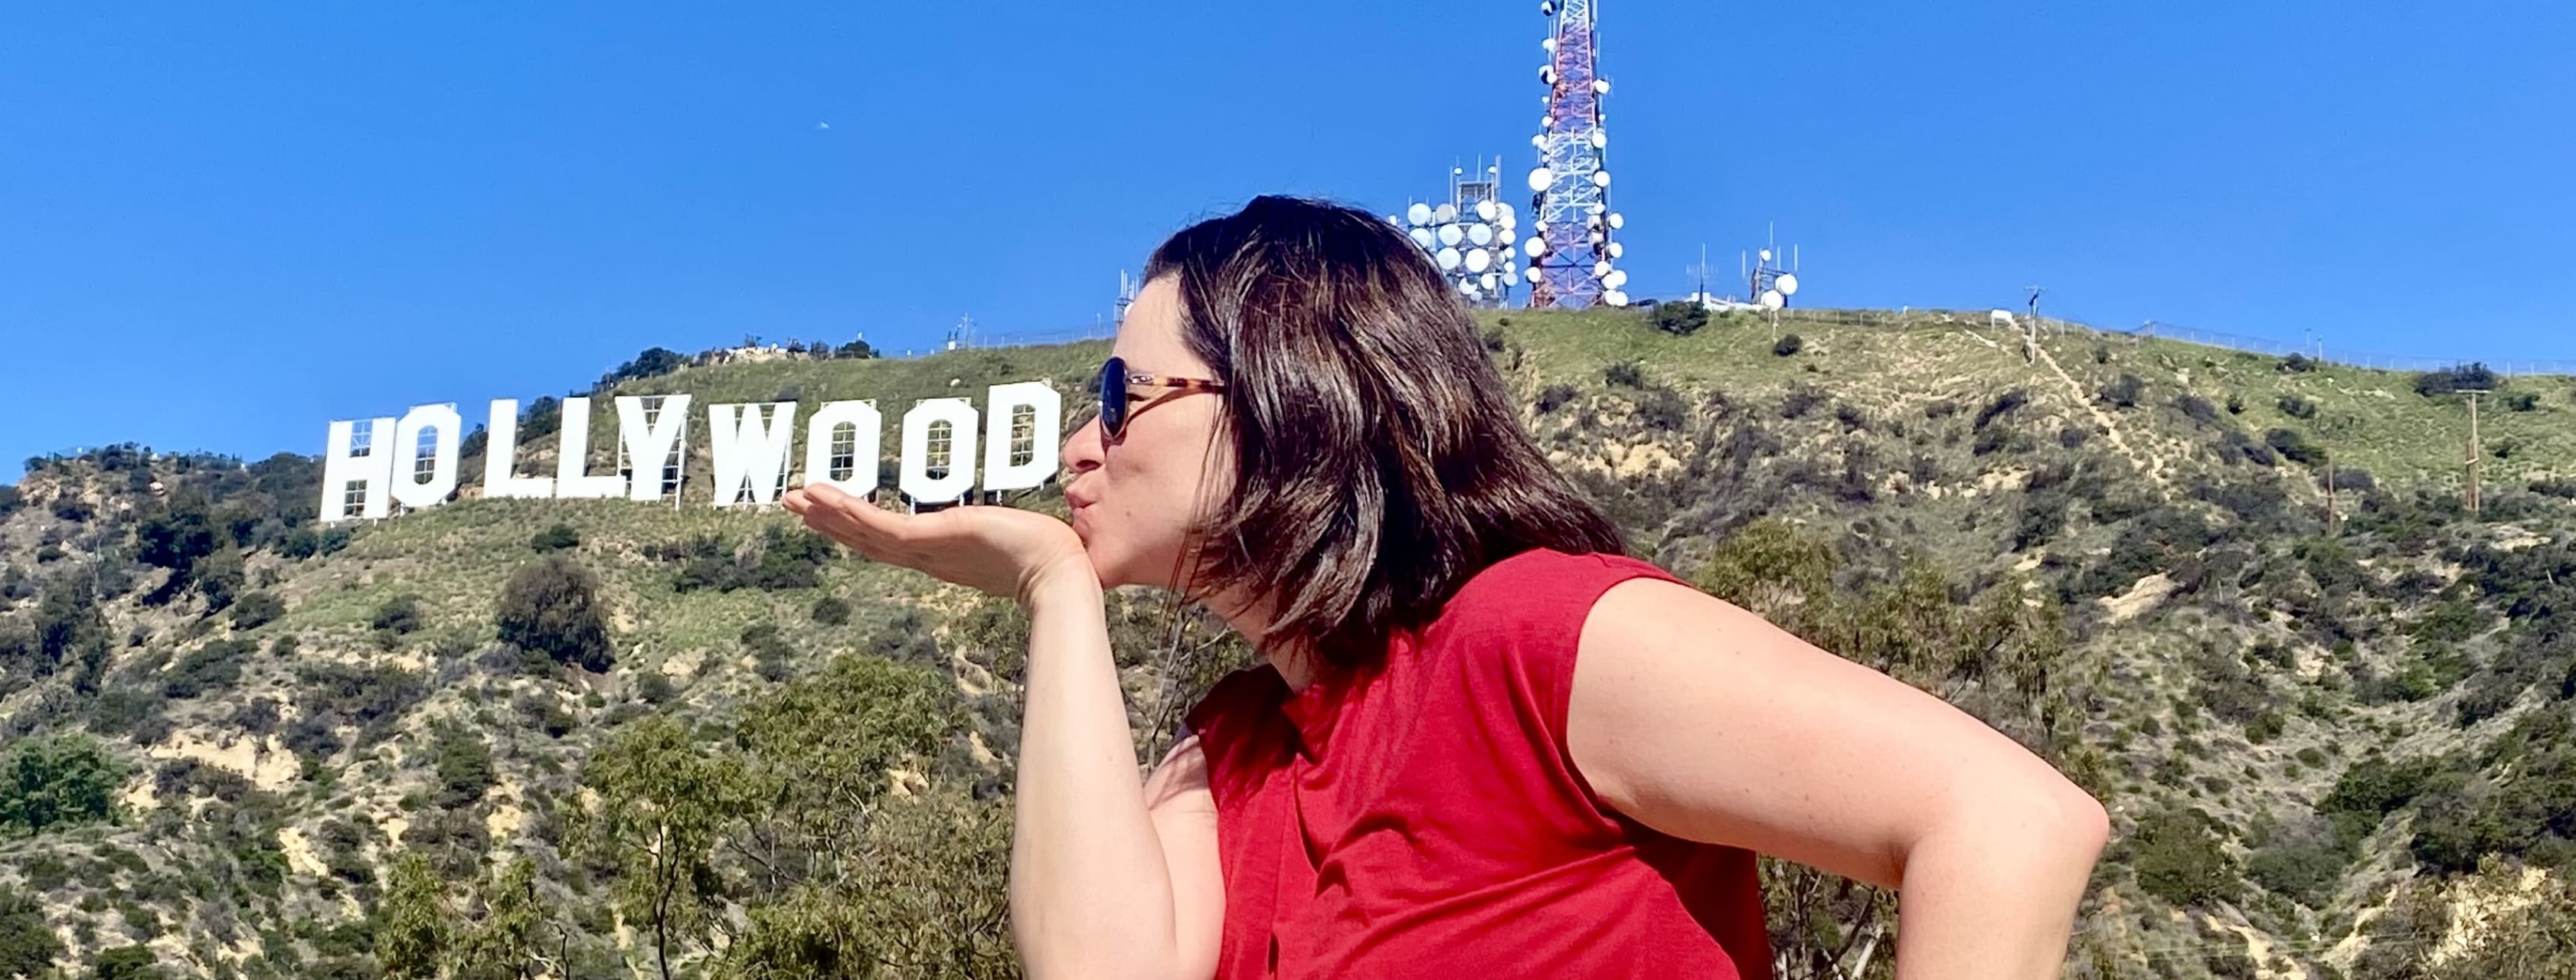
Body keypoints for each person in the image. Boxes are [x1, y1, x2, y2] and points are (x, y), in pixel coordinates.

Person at [782, 195, 2110, 979]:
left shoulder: (1533, 639)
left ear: (1293, 392)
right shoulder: (1233, 747)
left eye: (1127, 395)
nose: (1083, 442)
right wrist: (1054, 591)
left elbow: (2003, 817)